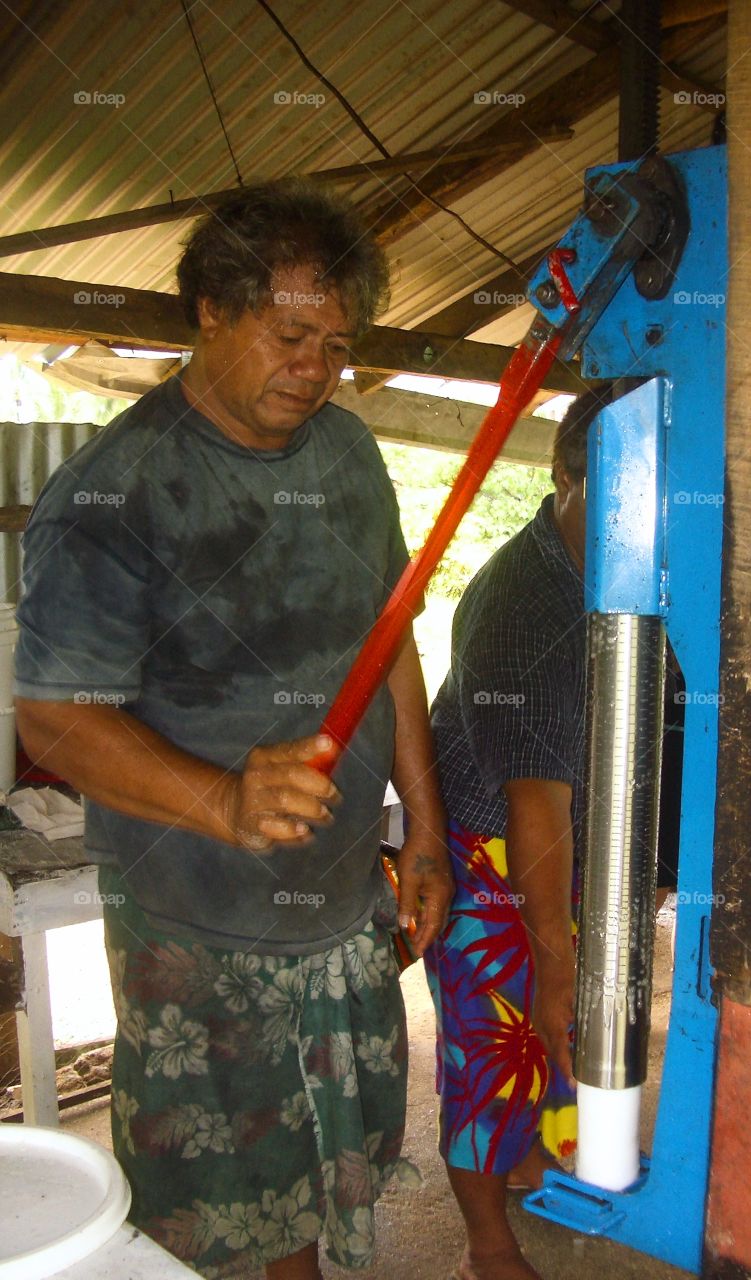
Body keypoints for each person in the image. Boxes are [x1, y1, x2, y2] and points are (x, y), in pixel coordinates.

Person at [13, 179, 452, 1280]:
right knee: (218, 1201)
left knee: (321, 1174)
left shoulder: (347, 456)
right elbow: (56, 717)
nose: (314, 366)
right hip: (196, 926)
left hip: (345, 900)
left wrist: (426, 828)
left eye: (337, 344)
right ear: (211, 308)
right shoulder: (118, 490)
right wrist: (223, 799)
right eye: (291, 332)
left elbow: (388, 635)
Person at [425, 386, 681, 1280]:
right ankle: (485, 1248)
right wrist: (561, 961)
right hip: (492, 852)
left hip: (555, 842)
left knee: (548, 1040)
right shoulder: (531, 604)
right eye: (616, 484)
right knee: (494, 1045)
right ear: (564, 475)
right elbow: (537, 803)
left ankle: (534, 1159)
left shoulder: (614, 572)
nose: (636, 507)